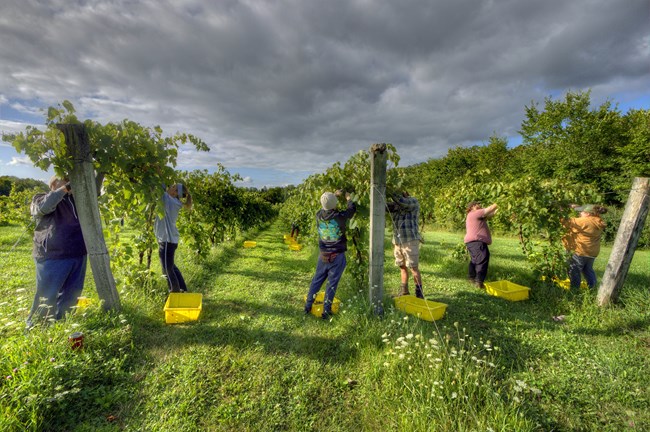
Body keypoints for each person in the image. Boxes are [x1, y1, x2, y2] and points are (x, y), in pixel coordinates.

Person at [26, 176, 87, 328]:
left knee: (72, 294)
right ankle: (37, 329)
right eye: (64, 179)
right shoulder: (40, 197)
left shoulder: (76, 200)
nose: (68, 181)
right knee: (47, 296)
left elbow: (95, 193)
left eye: (69, 178)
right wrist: (66, 188)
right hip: (53, 255)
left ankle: (62, 326)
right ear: (54, 183)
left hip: (78, 253)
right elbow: (44, 207)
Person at [304, 189, 356, 320]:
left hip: (323, 254)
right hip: (337, 255)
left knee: (317, 280)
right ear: (335, 204)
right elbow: (351, 210)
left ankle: (308, 306)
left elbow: (325, 205)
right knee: (331, 284)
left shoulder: (318, 215)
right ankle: (326, 312)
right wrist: (348, 198)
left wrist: (332, 196)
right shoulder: (340, 216)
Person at [155, 183, 192, 293]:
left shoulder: (169, 200)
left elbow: (160, 186)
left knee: (166, 269)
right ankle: (183, 290)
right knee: (171, 267)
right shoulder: (174, 202)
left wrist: (157, 170)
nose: (169, 187)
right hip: (169, 240)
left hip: (167, 240)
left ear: (175, 192)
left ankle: (174, 292)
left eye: (172, 187)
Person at [386, 190, 424, 298]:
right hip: (397, 241)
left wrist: (389, 190)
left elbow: (402, 201)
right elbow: (385, 206)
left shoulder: (412, 201)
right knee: (402, 267)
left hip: (410, 241)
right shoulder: (396, 205)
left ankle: (419, 294)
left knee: (413, 267)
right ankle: (404, 291)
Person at [562, 204, 607, 289]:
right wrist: (574, 206)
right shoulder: (597, 221)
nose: (580, 213)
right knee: (587, 270)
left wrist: (562, 210)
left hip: (580, 250)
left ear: (588, 213)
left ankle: (574, 290)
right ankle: (593, 288)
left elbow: (566, 221)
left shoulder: (585, 221)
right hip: (591, 252)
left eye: (581, 212)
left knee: (573, 270)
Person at [464, 201, 498, 289]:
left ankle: (472, 278)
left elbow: (490, 214)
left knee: (475, 260)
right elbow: (490, 209)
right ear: (473, 206)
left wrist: (499, 208)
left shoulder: (474, 215)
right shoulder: (475, 213)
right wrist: (498, 202)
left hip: (472, 242)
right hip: (476, 241)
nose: (480, 205)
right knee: (482, 259)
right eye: (478, 204)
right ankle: (479, 282)